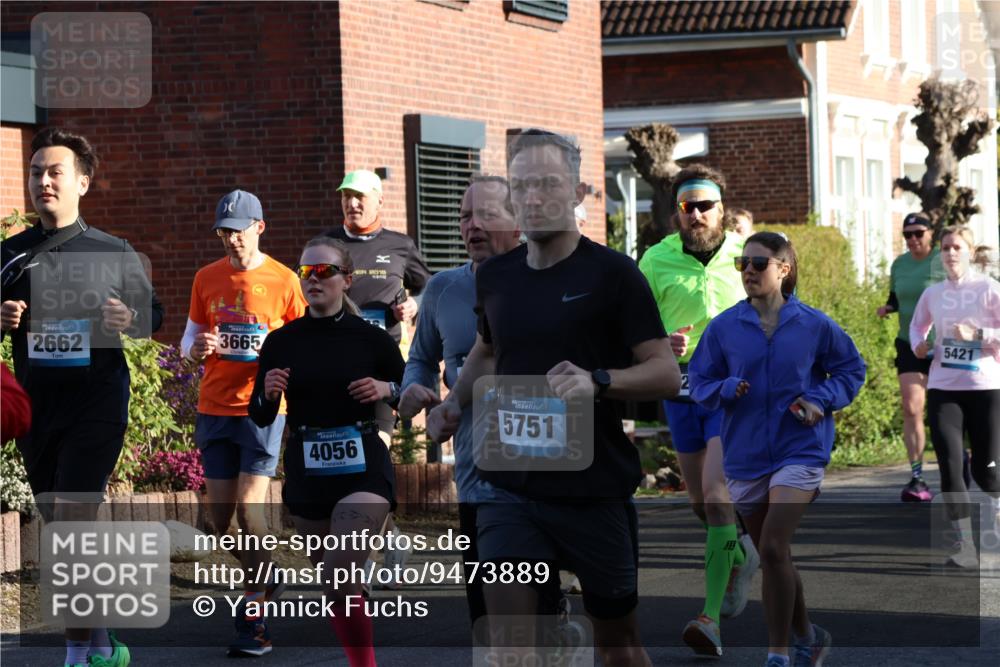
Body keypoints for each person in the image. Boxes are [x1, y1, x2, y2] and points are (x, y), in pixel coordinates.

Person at [426, 129, 679, 665]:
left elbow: (665, 373)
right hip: (508, 490)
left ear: (578, 192)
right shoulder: (495, 276)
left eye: (547, 183)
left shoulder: (613, 274)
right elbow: (487, 352)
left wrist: (600, 381)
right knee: (510, 648)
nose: (535, 196)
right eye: (523, 185)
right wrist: (453, 404)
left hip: (593, 489)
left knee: (619, 647)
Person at [0, 127, 164, 667]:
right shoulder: (10, 256)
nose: (42, 181)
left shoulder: (113, 251)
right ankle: (102, 641)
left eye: (55, 172)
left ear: (83, 182)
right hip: (37, 410)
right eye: (35, 171)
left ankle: (77, 655)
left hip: (97, 406)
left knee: (71, 520)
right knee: (62, 527)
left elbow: (152, 317)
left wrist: (129, 317)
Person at [689, 231, 866, 667]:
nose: (748, 270)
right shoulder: (725, 327)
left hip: (800, 449)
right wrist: (726, 388)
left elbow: (850, 369)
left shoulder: (814, 324)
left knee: (771, 547)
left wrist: (820, 401)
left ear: (783, 268)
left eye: (758, 263)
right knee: (776, 555)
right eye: (742, 264)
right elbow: (699, 382)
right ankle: (807, 634)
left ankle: (778, 654)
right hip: (745, 454)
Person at [249, 236, 404, 667]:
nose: (313, 279)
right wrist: (267, 393)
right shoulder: (282, 341)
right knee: (339, 583)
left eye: (324, 271)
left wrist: (386, 388)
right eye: (306, 272)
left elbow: (412, 393)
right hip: (308, 470)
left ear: (347, 280)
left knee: (338, 577)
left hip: (364, 467)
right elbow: (260, 416)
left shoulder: (369, 339)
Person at [638, 164, 760, 657]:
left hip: (732, 394)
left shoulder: (745, 257)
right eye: (688, 207)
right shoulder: (655, 260)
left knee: (715, 493)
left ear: (722, 210)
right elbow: (637, 325)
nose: (697, 215)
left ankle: (710, 615)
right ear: (676, 215)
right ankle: (741, 552)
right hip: (681, 389)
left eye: (706, 206)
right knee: (699, 503)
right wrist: (658, 342)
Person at [181, 189, 306, 656]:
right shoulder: (205, 278)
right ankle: (267, 575)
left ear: (259, 227)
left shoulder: (284, 280)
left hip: (263, 411)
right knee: (221, 522)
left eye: (238, 231)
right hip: (214, 408)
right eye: (223, 232)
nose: (231, 240)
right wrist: (194, 350)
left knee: (251, 512)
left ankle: (253, 619)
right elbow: (189, 339)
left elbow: (303, 340)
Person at [325, 169, 431, 578]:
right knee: (348, 470)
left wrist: (414, 306)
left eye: (359, 197)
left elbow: (428, 286)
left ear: (378, 201)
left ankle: (362, 562)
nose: (352, 204)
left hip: (384, 371)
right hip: (338, 372)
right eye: (346, 197)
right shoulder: (328, 245)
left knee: (370, 460)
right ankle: (391, 539)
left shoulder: (400, 246)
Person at [910, 225, 1000, 568]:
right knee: (950, 467)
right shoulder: (933, 294)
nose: (950, 253)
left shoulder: (989, 290)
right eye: (945, 248)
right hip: (944, 386)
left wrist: (978, 333)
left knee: (987, 470)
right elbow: (918, 326)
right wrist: (919, 341)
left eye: (957, 247)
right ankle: (966, 547)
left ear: (969, 251)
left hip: (986, 387)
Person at [876, 212, 945, 502]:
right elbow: (897, 297)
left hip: (945, 346)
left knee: (945, 413)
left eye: (918, 233)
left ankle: (958, 468)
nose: (913, 240)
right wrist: (887, 308)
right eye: (907, 235)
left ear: (931, 233)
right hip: (909, 343)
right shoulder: (899, 264)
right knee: (912, 407)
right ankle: (917, 476)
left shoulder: (943, 259)